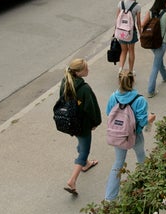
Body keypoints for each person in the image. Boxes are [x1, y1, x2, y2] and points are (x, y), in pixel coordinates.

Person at [104, 70, 156, 201]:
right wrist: (150, 118)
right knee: (141, 156)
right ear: (132, 81)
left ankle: (110, 198)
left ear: (119, 81)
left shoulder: (113, 97)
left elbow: (108, 113)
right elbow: (143, 121)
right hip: (135, 135)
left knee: (118, 163)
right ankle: (146, 186)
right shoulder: (139, 99)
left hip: (119, 136)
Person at [59, 58, 102, 195]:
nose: (88, 70)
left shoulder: (65, 82)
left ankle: (86, 164)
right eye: (85, 69)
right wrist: (95, 122)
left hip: (70, 122)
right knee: (84, 151)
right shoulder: (84, 89)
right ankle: (72, 180)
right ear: (78, 72)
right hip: (83, 124)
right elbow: (91, 108)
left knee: (81, 142)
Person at [141, 0, 166, 98]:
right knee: (156, 65)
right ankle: (151, 90)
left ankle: (165, 75)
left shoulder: (150, 12)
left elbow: (142, 24)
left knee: (158, 59)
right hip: (161, 43)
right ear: (164, 1)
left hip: (151, 42)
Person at [116, 0, 142, 74]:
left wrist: (115, 31)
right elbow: (138, 22)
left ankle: (120, 69)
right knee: (131, 50)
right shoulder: (137, 6)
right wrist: (141, 33)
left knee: (123, 51)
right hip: (131, 32)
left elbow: (117, 19)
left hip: (121, 31)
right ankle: (130, 71)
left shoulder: (120, 3)